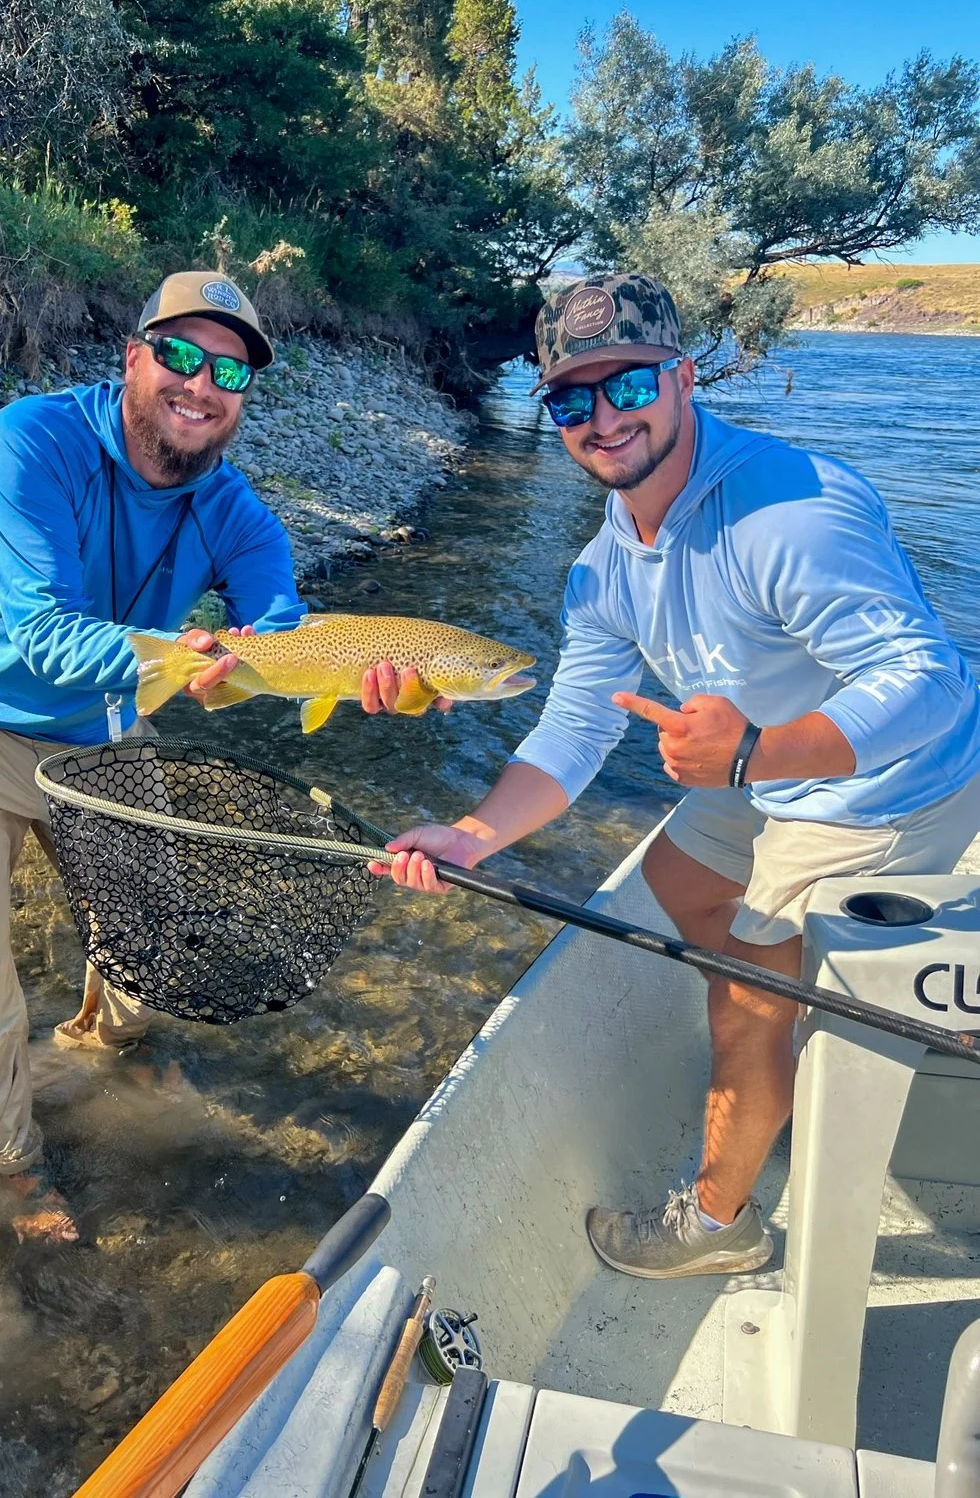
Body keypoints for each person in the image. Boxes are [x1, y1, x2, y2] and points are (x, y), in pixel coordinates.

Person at [377, 272, 980, 1279]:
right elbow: (575, 725)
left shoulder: (790, 512)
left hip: (884, 787)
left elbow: (930, 686)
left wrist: (754, 753)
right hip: (765, 771)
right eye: (573, 398)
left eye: (630, 386)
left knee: (745, 1000)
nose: (603, 418)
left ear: (685, 377)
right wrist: (474, 835)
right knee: (683, 884)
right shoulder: (605, 563)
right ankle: (781, 1038)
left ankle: (719, 1225)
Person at [0, 270, 434, 1241]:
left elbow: (278, 627)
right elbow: (47, 633)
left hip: (98, 716)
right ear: (133, 357)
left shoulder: (234, 507)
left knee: (153, 918)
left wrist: (345, 673)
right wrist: (191, 659)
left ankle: (105, 1044)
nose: (202, 382)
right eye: (181, 353)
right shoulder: (31, 443)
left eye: (231, 370)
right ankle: (4, 1167)